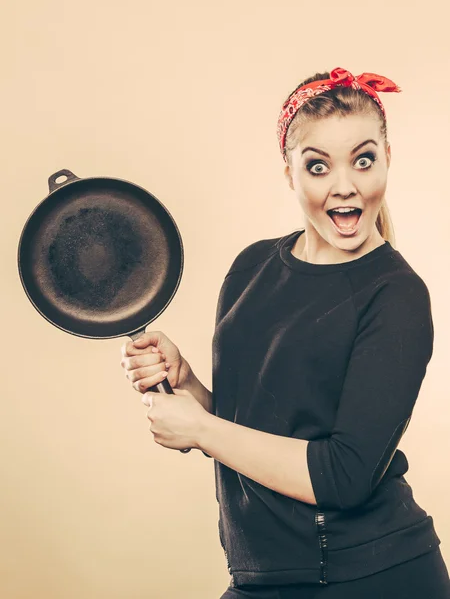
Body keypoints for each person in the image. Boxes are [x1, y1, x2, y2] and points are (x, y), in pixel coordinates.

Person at [120, 67, 450, 598]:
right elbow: (255, 428)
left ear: (388, 159)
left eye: (363, 160)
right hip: (263, 574)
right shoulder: (252, 266)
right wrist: (192, 394)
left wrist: (202, 431)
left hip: (368, 576)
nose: (345, 185)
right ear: (289, 173)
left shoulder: (397, 294)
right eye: (317, 166)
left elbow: (344, 476)